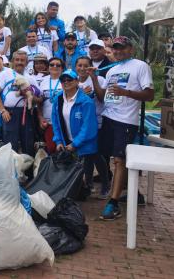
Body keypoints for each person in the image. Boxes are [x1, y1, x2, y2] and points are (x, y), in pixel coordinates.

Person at [99, 36, 154, 220]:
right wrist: (92, 77)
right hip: (108, 118)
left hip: (126, 121)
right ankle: (133, 192)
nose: (118, 51)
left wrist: (126, 93)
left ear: (131, 48)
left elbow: (150, 95)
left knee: (119, 160)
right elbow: (103, 96)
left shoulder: (140, 66)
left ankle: (113, 204)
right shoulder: (112, 69)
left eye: (122, 48)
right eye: (115, 48)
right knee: (105, 155)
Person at [51, 70, 103, 199]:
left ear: (77, 82)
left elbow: (89, 127)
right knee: (71, 174)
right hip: (67, 141)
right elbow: (55, 122)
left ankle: (100, 187)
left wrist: (75, 144)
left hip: (84, 144)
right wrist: (58, 141)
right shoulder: (58, 99)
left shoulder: (86, 101)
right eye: (63, 80)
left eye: (70, 80)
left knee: (85, 174)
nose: (66, 82)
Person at [75, 56, 110, 199]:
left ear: (91, 66)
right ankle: (88, 184)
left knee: (96, 154)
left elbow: (103, 99)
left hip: (97, 121)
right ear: (75, 67)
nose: (83, 69)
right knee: (86, 154)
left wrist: (94, 79)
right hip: (80, 123)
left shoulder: (100, 80)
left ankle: (106, 184)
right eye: (79, 65)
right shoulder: (72, 81)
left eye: (86, 66)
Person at [0, 50, 41, 156]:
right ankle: (11, 170)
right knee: (10, 143)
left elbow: (40, 98)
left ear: (27, 62)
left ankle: (28, 171)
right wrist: (2, 110)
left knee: (28, 142)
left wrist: (30, 96)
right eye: (17, 60)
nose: (20, 62)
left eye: (22, 60)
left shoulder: (30, 78)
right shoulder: (5, 74)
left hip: (27, 113)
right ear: (13, 61)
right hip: (9, 113)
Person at [37, 57, 64, 154]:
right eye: (52, 64)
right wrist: (40, 117)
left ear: (62, 68)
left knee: (64, 149)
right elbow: (39, 103)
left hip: (64, 121)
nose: (55, 66)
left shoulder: (66, 80)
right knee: (51, 149)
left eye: (58, 65)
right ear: (48, 67)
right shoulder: (42, 81)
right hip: (48, 122)